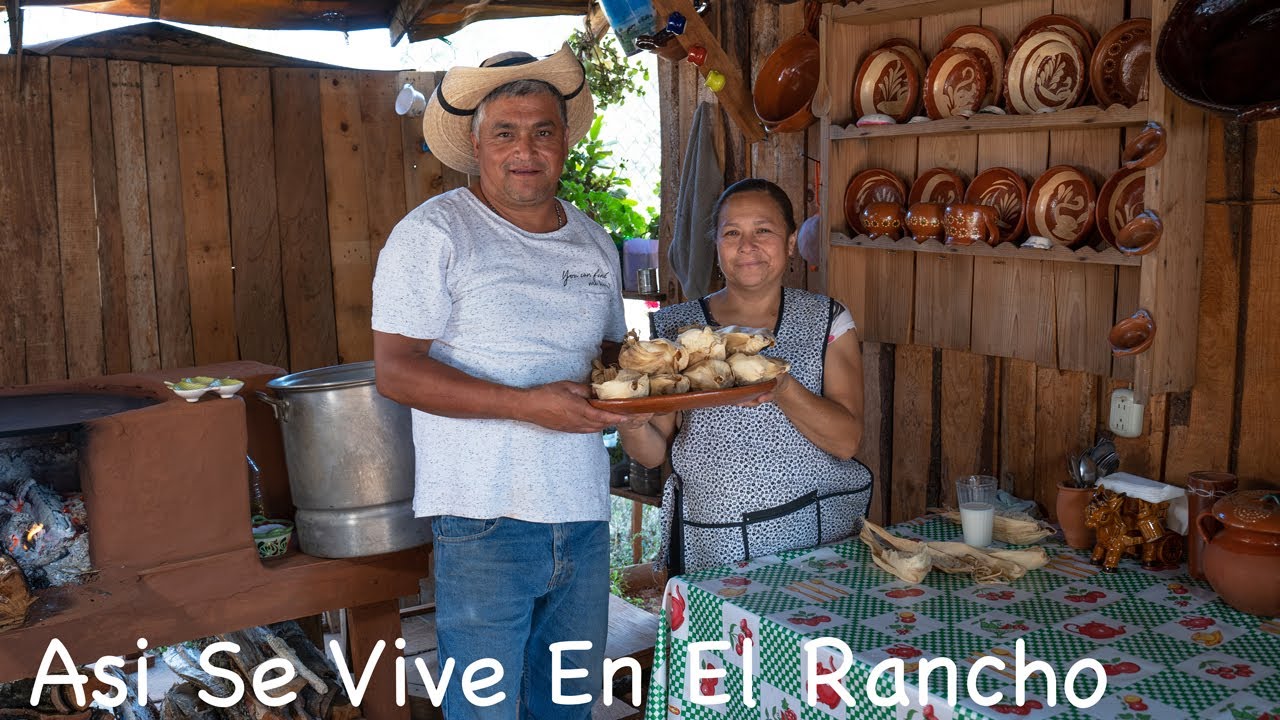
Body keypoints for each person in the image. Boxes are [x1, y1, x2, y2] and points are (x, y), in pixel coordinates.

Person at [370, 45, 647, 719]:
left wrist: (654, 387)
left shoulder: (591, 240)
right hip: (484, 519)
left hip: (583, 514)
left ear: (564, 143)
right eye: (506, 132)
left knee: (568, 705)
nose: (526, 149)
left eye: (543, 132)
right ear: (475, 143)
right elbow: (396, 371)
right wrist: (526, 407)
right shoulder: (434, 234)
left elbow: (610, 360)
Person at [618, 178, 872, 574]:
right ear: (717, 247)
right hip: (715, 537)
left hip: (814, 533)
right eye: (732, 232)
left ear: (790, 243)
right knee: (723, 635)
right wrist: (631, 422)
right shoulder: (675, 327)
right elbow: (653, 451)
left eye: (763, 231)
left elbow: (846, 442)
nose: (747, 245)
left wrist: (781, 387)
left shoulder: (828, 320)